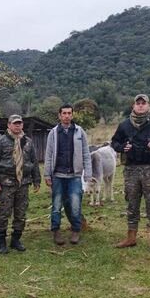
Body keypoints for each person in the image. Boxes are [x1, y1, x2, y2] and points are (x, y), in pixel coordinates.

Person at [110, 94, 150, 252]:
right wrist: (121, 147)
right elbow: (114, 141)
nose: (140, 106)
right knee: (132, 203)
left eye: (143, 103)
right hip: (131, 169)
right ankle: (131, 237)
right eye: (137, 103)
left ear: (149, 106)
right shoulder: (125, 125)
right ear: (133, 106)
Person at [0, 114, 41, 254]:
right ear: (9, 125)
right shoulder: (1, 142)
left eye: (20, 123)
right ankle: (1, 241)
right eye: (15, 123)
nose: (17, 125)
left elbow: (34, 161)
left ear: (22, 125)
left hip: (23, 183)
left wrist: (37, 180)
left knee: (21, 213)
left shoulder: (28, 142)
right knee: (3, 213)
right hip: (6, 183)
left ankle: (16, 240)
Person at [44, 104, 92, 245]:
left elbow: (86, 154)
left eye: (69, 113)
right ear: (59, 116)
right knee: (57, 204)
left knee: (76, 203)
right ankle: (56, 231)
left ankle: (75, 230)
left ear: (72, 115)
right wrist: (47, 175)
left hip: (74, 175)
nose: (66, 116)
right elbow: (48, 155)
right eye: (64, 113)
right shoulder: (53, 133)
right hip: (57, 175)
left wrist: (87, 174)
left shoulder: (79, 132)